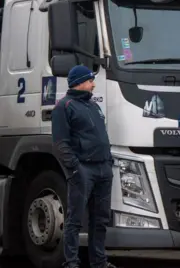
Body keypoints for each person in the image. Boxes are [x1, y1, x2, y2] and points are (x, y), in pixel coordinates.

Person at [51, 65, 116, 268]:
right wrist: (75, 167)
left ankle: (99, 262)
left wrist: (109, 161)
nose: (93, 84)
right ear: (80, 82)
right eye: (90, 80)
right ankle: (71, 262)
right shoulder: (64, 107)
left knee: (100, 220)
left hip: (103, 169)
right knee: (75, 220)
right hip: (83, 170)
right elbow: (61, 142)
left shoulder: (93, 106)